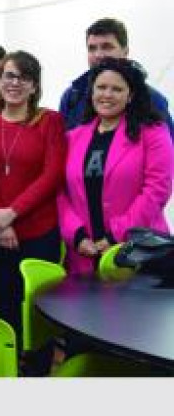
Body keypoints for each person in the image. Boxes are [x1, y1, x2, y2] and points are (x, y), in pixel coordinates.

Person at [0, 51, 66, 350]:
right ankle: (9, 367)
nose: (15, 83)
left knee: (40, 310)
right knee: (4, 305)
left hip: (39, 233)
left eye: (24, 78)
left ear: (34, 86)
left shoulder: (50, 121)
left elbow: (52, 175)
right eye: (9, 75)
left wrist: (12, 213)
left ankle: (38, 367)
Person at [58, 57, 173, 276]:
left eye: (117, 89)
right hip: (84, 255)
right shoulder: (71, 138)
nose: (107, 94)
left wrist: (116, 235)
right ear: (92, 92)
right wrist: (77, 235)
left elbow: (157, 190)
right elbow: (59, 193)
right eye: (101, 87)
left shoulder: (153, 132)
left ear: (130, 96)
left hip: (137, 252)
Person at [59, 18, 173, 137]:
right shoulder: (72, 97)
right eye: (92, 48)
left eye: (107, 47)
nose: (98, 55)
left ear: (125, 52)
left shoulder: (152, 99)